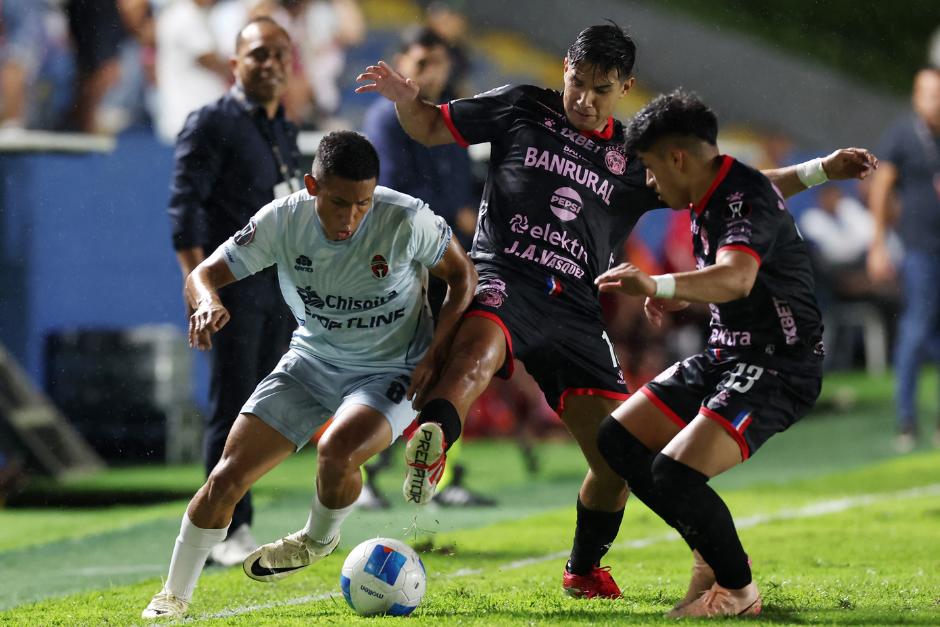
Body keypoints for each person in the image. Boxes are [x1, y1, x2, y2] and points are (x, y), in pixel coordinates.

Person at [356, 22, 877, 598]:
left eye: (600, 89)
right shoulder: (521, 106)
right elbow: (430, 126)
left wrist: (820, 170)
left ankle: (583, 568)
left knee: (616, 452)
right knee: (479, 348)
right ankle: (434, 437)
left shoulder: (637, 156)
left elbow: (730, 187)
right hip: (507, 275)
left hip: (579, 306)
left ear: (624, 87)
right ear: (564, 71)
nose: (584, 98)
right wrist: (408, 102)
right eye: (577, 82)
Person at [142, 130, 476, 618]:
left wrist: (435, 352)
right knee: (225, 479)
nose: (351, 218)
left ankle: (317, 540)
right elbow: (203, 275)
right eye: (339, 203)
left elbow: (463, 275)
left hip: (392, 367)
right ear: (312, 186)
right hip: (311, 360)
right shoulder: (283, 220)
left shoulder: (405, 218)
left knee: (336, 450)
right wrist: (208, 301)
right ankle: (172, 597)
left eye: (362, 203)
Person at [593, 90, 853, 617]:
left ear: (678, 158)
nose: (649, 181)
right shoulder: (721, 183)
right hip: (725, 355)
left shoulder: (740, 197)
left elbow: (737, 277)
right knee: (617, 439)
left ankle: (737, 591)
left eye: (649, 167)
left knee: (673, 475)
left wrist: (662, 285)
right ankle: (710, 554)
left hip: (779, 365)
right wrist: (823, 168)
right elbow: (771, 184)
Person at [166, 16, 299, 567]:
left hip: (281, 289)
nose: (268, 65)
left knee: (270, 407)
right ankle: (224, 528)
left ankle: (242, 517)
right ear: (234, 64)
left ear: (292, 64)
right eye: (257, 55)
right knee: (234, 405)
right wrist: (201, 289)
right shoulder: (212, 121)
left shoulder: (283, 127)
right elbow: (185, 210)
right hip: (233, 291)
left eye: (277, 55)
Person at [360, 25, 491, 509]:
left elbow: (459, 195)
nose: (427, 72)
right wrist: (453, 220)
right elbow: (393, 196)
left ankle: (440, 475)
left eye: (434, 63)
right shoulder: (387, 119)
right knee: (390, 368)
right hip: (402, 264)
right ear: (401, 64)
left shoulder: (448, 120)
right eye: (418, 63)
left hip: (444, 264)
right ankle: (361, 474)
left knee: (446, 367)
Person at [867, 67, 940, 452]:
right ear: (916, 97)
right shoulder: (902, 135)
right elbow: (881, 188)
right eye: (928, 94)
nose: (935, 101)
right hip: (919, 250)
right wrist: (878, 244)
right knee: (915, 330)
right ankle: (906, 421)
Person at [154, 0, 230, 143]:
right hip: (191, 121)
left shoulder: (183, 13)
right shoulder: (186, 16)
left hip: (194, 121)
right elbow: (213, 62)